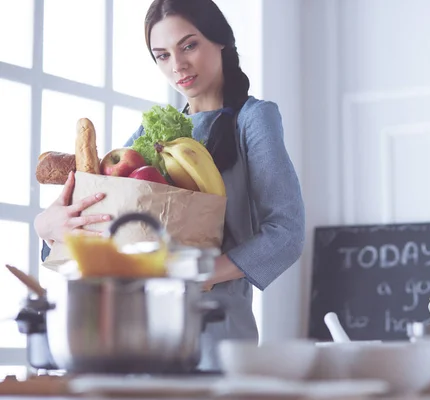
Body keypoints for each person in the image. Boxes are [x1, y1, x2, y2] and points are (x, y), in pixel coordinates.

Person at [34, 0, 305, 371]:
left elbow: (286, 233)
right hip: (136, 338)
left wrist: (201, 273)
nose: (176, 66)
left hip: (215, 339)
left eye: (188, 46)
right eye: (161, 55)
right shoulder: (152, 132)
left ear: (220, 40)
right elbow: (110, 216)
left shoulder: (254, 120)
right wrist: (48, 229)